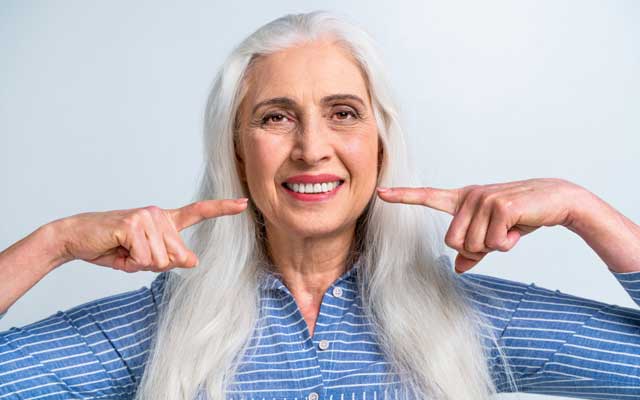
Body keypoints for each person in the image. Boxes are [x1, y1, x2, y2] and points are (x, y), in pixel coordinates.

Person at [1, 10, 639, 400]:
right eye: (276, 117)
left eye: (343, 114)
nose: (312, 148)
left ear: (380, 143)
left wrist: (584, 210)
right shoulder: (164, 331)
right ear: (237, 148)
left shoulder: (467, 322)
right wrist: (53, 242)